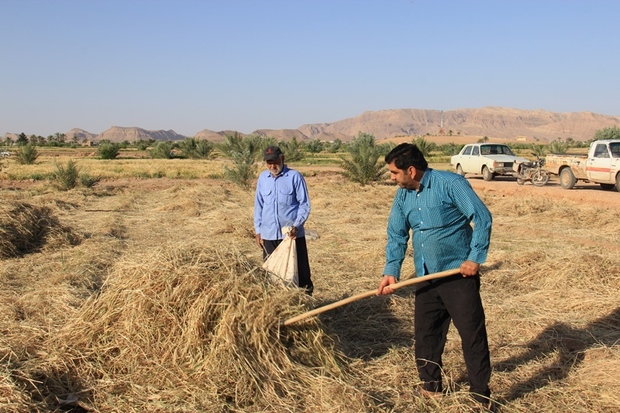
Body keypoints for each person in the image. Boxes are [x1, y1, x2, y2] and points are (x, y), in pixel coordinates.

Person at [376, 143, 494, 410]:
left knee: (472, 335)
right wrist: (391, 271)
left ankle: (480, 396)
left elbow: (483, 218)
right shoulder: (403, 195)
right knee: (426, 335)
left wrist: (474, 258)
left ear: (411, 170)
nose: (392, 178)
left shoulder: (451, 184)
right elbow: (396, 234)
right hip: (425, 276)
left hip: (457, 277)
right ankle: (431, 388)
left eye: (395, 173)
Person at [254, 145, 313, 295]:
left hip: (292, 236)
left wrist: (296, 226)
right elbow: (258, 205)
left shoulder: (295, 177)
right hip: (269, 235)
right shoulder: (262, 178)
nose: (272, 166)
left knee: (300, 276)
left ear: (282, 159)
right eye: (269, 163)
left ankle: (305, 307)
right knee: (272, 275)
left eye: (275, 162)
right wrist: (258, 230)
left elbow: (304, 204)